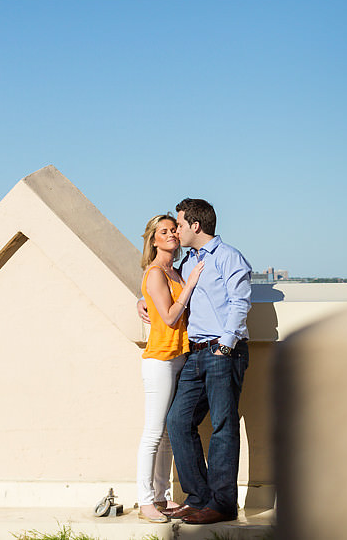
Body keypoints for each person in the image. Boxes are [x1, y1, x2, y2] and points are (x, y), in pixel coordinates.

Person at [160, 198, 252, 525]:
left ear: (196, 226)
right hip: (195, 353)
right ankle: (199, 498)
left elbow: (240, 304)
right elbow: (172, 291)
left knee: (223, 427)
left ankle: (222, 504)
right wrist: (144, 301)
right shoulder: (188, 263)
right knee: (178, 422)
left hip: (223, 353)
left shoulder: (229, 258)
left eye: (181, 225)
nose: (177, 231)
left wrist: (225, 347)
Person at [136, 214, 204, 523]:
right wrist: (190, 285)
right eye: (163, 231)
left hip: (179, 356)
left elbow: (154, 300)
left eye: (173, 229)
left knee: (166, 435)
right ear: (153, 240)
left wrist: (142, 299)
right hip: (160, 359)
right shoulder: (156, 272)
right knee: (153, 432)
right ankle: (145, 501)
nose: (171, 234)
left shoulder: (172, 271)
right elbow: (170, 316)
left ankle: (162, 498)